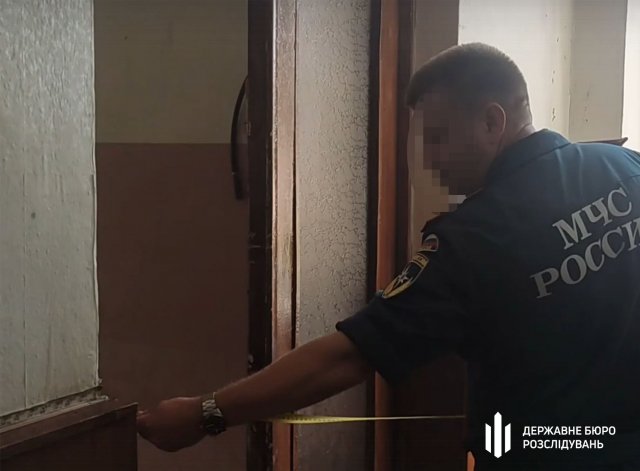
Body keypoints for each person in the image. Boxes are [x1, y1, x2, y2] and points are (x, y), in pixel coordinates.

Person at [137, 43, 640, 470]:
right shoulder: (626, 166)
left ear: (492, 121)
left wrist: (206, 413)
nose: (429, 160)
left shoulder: (473, 238)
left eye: (438, 138)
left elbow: (349, 355)